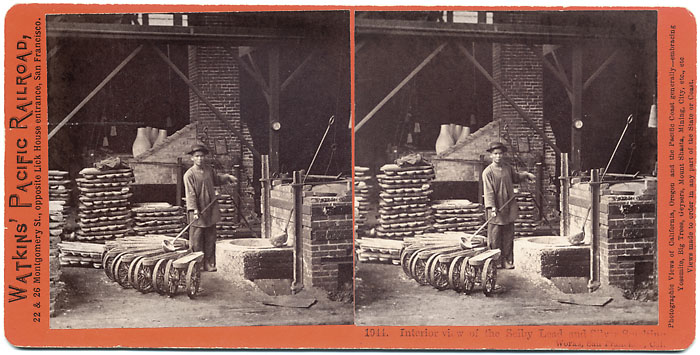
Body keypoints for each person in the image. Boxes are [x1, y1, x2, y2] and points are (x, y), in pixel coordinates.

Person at [482, 141, 535, 270]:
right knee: (494, 237)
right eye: (495, 154)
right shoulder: (487, 172)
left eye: (500, 154)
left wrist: (526, 175)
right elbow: (488, 192)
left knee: (508, 235)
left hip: (508, 206)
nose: (498, 156)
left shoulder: (507, 168)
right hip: (496, 208)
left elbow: (516, 177)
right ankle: (494, 262)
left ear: (503, 155)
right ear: (491, 156)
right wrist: (492, 207)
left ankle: (506, 260)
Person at [184, 144, 237, 272]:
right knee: (196, 239)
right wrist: (194, 210)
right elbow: (190, 194)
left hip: (210, 208)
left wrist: (227, 177)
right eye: (197, 156)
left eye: (202, 156)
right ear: (192, 158)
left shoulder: (209, 170)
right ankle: (197, 264)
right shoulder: (189, 175)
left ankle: (208, 263)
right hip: (198, 210)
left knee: (210, 238)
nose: (200, 159)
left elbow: (217, 179)